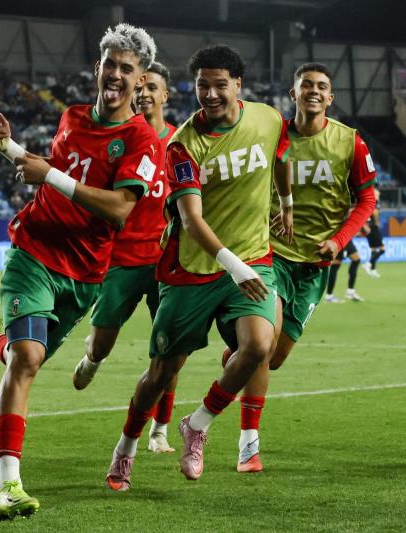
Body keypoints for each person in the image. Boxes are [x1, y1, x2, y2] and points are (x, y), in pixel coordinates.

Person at [0, 23, 159, 520]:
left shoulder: (142, 141)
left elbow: (118, 209)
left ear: (141, 81)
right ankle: (8, 486)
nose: (115, 74)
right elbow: (51, 174)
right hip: (34, 252)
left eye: (127, 69)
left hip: (86, 275)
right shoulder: (71, 117)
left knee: (24, 358)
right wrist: (7, 147)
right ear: (98, 68)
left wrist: (47, 172)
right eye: (110, 64)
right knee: (28, 358)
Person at [104, 44, 292, 490]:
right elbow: (191, 220)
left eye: (219, 84)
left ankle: (198, 423)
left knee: (258, 345)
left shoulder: (267, 118)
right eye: (202, 85)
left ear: (238, 85)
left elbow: (280, 155)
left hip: (253, 258)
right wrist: (233, 267)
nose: (209, 93)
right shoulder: (183, 145)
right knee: (161, 374)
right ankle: (126, 447)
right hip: (192, 268)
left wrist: (286, 202)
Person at [222, 62, 376, 472]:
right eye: (306, 84)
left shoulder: (350, 143)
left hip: (314, 264)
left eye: (321, 86)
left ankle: (239, 356)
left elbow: (367, 200)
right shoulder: (271, 135)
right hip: (267, 254)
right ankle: (249, 444)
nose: (313, 90)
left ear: (330, 97)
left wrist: (339, 241)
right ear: (293, 94)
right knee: (262, 349)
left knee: (272, 359)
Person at [71, 61, 179, 454]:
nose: (145, 93)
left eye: (154, 87)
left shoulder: (180, 142)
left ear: (165, 96)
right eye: (141, 86)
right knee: (102, 345)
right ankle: (92, 358)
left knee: (169, 351)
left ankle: (159, 431)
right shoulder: (122, 137)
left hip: (167, 262)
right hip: (121, 259)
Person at [324, 228, 366, 302]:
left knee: (356, 260)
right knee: (335, 265)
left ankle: (350, 292)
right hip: (340, 236)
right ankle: (329, 295)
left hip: (347, 238)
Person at [362, 187, 385, 277]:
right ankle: (368, 264)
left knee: (374, 249)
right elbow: (375, 213)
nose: (379, 193)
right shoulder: (376, 201)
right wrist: (377, 222)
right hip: (373, 227)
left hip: (367, 227)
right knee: (383, 249)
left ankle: (373, 269)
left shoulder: (368, 200)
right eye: (377, 192)